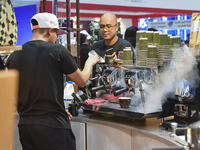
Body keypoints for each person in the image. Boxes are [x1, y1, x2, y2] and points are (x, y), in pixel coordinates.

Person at [6, 12, 99, 150]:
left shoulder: (14, 55)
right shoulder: (57, 51)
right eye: (56, 33)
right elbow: (82, 81)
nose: (56, 37)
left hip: (26, 127)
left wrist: (56, 108)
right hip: (54, 127)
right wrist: (89, 63)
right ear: (50, 30)